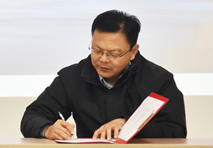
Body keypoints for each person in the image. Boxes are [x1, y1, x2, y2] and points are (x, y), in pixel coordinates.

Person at [21, 10, 186, 140]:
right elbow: (32, 116)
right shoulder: (72, 77)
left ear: (133, 51)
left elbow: (176, 130)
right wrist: (48, 129)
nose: (103, 59)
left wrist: (129, 125)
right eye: (97, 50)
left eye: (114, 54)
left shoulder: (159, 80)